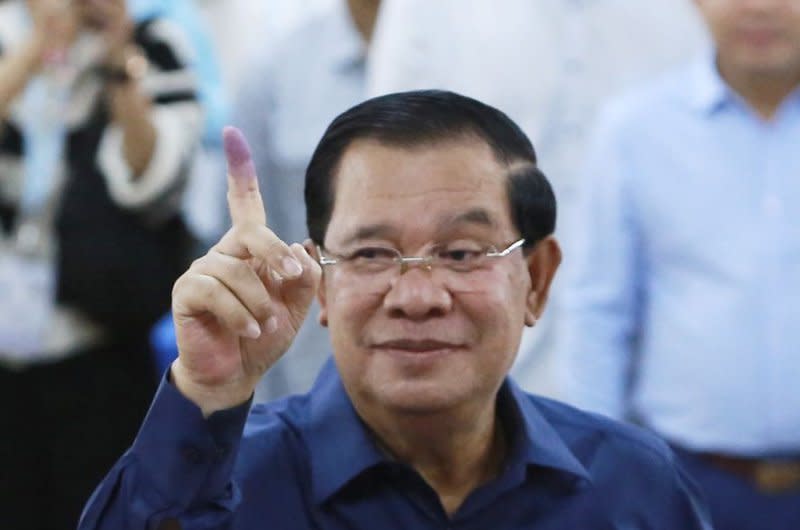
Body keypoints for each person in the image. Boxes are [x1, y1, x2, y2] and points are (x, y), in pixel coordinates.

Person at [78, 90, 711, 529]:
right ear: (321, 284)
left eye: (463, 253)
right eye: (373, 254)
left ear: (536, 281)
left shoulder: (632, 485)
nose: (416, 297)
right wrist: (205, 391)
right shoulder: (225, 480)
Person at [366, 0, 708, 398]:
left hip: (655, 381)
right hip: (477, 352)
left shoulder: (681, 14)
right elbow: (387, 172)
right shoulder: (427, 10)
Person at [561, 0, 800, 528]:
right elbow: (600, 312)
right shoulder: (635, 129)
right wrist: (597, 478)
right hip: (687, 484)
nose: (759, 7)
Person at [0, 1, 202, 528]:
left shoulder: (155, 40)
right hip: (6, 349)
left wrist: (118, 56)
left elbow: (154, 184)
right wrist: (28, 55)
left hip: (100, 345)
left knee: (108, 510)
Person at [234, 0, 381, 401]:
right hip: (311, 381)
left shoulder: (476, 61)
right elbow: (240, 242)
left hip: (449, 376)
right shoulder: (278, 69)